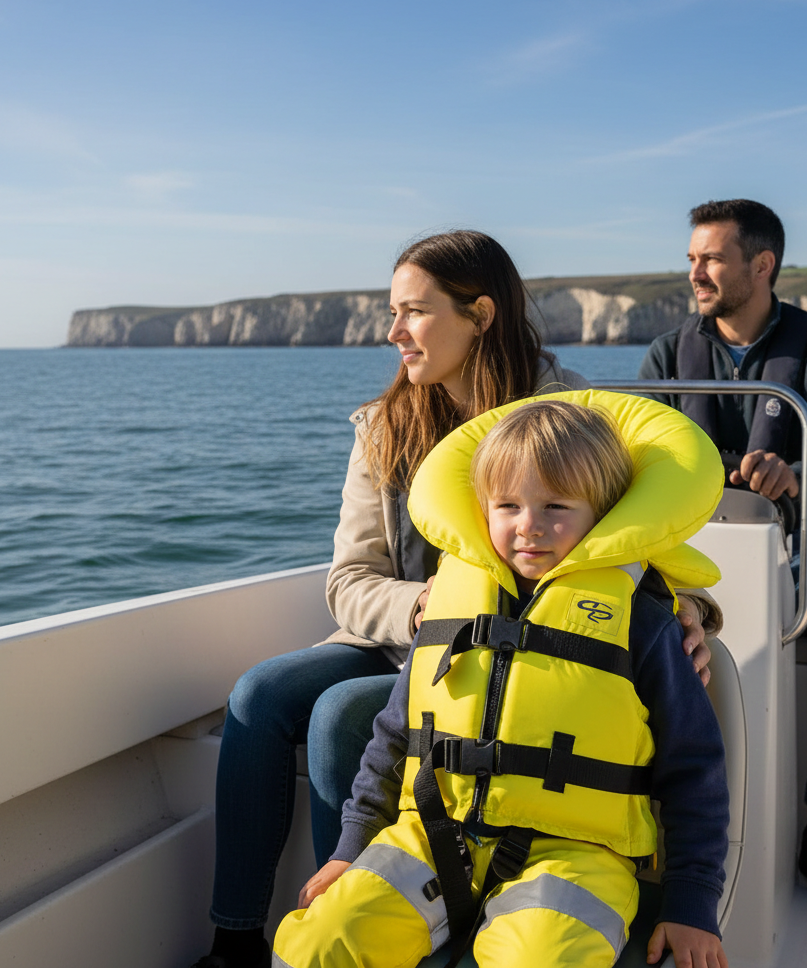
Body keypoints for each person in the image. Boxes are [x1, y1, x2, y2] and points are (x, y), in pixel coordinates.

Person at [194, 230, 714, 968]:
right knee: (260, 694)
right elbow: (348, 582)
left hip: (532, 659)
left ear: (480, 315)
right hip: (406, 637)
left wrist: (692, 611)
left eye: (413, 311)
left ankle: (398, 917)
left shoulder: (570, 419)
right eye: (392, 312)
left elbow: (639, 544)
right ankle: (238, 937)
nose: (392, 331)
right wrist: (423, 605)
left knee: (343, 715)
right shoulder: (381, 430)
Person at [273, 396, 730, 968]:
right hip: (432, 835)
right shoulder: (450, 605)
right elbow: (393, 738)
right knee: (318, 942)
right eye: (507, 505)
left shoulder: (643, 621)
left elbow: (695, 771)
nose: (528, 526)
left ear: (606, 513)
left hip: (577, 853)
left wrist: (691, 900)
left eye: (557, 505)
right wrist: (351, 848)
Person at [639, 199, 807, 918]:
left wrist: (799, 477)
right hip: (687, 553)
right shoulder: (664, 354)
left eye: (711, 258)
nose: (696, 273)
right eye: (691, 259)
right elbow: (646, 453)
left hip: (803, 547)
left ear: (762, 264)